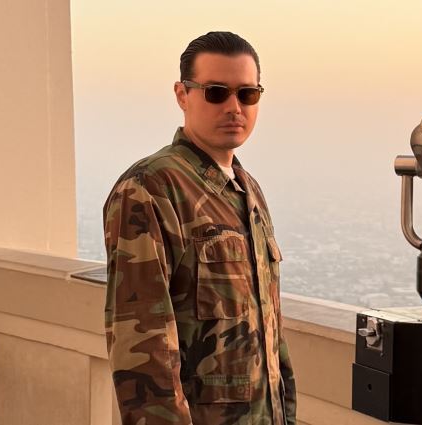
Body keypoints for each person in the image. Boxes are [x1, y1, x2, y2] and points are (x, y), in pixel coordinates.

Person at [103, 31, 296, 425]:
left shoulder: (248, 191)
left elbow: (271, 334)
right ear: (182, 95)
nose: (234, 107)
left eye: (247, 94)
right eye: (216, 92)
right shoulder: (150, 188)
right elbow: (143, 348)